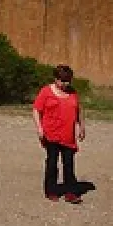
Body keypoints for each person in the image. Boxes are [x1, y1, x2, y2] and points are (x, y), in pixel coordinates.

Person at [32, 64, 86, 203]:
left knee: (69, 164)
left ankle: (70, 192)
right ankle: (51, 190)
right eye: (62, 81)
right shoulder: (46, 92)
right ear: (56, 79)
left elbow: (78, 110)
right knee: (52, 163)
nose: (65, 84)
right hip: (51, 134)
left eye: (68, 81)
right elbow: (36, 110)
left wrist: (81, 127)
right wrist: (39, 128)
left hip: (68, 135)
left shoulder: (72, 92)